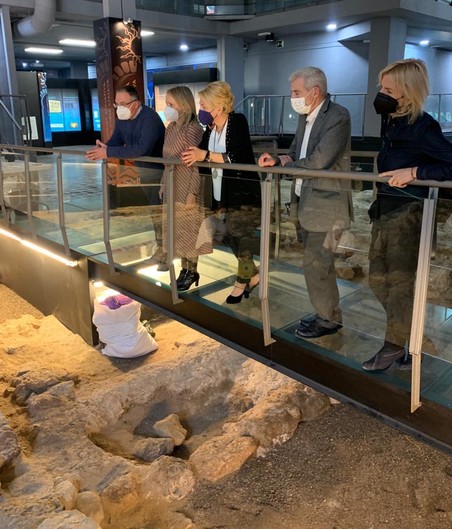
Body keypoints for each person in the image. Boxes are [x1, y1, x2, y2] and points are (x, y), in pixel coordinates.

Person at [362, 58, 452, 372]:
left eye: (388, 90)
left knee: (398, 284)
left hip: (409, 214)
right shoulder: (392, 121)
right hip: (386, 210)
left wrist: (415, 171)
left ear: (407, 92)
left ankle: (394, 347)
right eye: (381, 88)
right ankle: (412, 338)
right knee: (377, 279)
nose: (381, 94)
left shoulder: (423, 125)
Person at [259, 66, 352, 339]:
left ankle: (328, 320)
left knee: (316, 264)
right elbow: (294, 152)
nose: (293, 97)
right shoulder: (305, 116)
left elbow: (320, 161)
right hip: (305, 200)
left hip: (327, 204)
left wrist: (286, 166)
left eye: (296, 92)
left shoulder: (338, 116)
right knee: (317, 265)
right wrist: (278, 160)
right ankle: (327, 314)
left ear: (315, 91)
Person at [182, 81, 261, 304]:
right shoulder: (210, 128)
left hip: (242, 193)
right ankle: (253, 275)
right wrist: (195, 155)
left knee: (241, 239)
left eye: (204, 104)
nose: (201, 108)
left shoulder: (237, 121)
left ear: (218, 107)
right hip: (220, 193)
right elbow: (202, 153)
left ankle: (241, 282)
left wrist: (204, 155)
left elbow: (234, 157)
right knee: (230, 237)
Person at [86, 86, 166, 265]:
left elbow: (142, 149)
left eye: (123, 103)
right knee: (154, 212)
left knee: (159, 212)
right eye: (117, 104)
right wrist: (104, 147)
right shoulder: (122, 119)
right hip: (145, 172)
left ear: (135, 103)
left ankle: (164, 250)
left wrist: (108, 152)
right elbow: (117, 140)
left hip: (160, 173)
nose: (119, 108)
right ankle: (162, 247)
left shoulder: (150, 118)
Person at [159, 86, 205, 291]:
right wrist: (163, 183)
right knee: (176, 230)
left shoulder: (193, 129)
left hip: (187, 184)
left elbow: (196, 164)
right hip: (172, 183)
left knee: (189, 230)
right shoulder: (170, 128)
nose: (167, 108)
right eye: (167, 104)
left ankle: (192, 271)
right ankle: (184, 269)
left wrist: (192, 192)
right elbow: (166, 160)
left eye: (171, 104)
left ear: (184, 105)